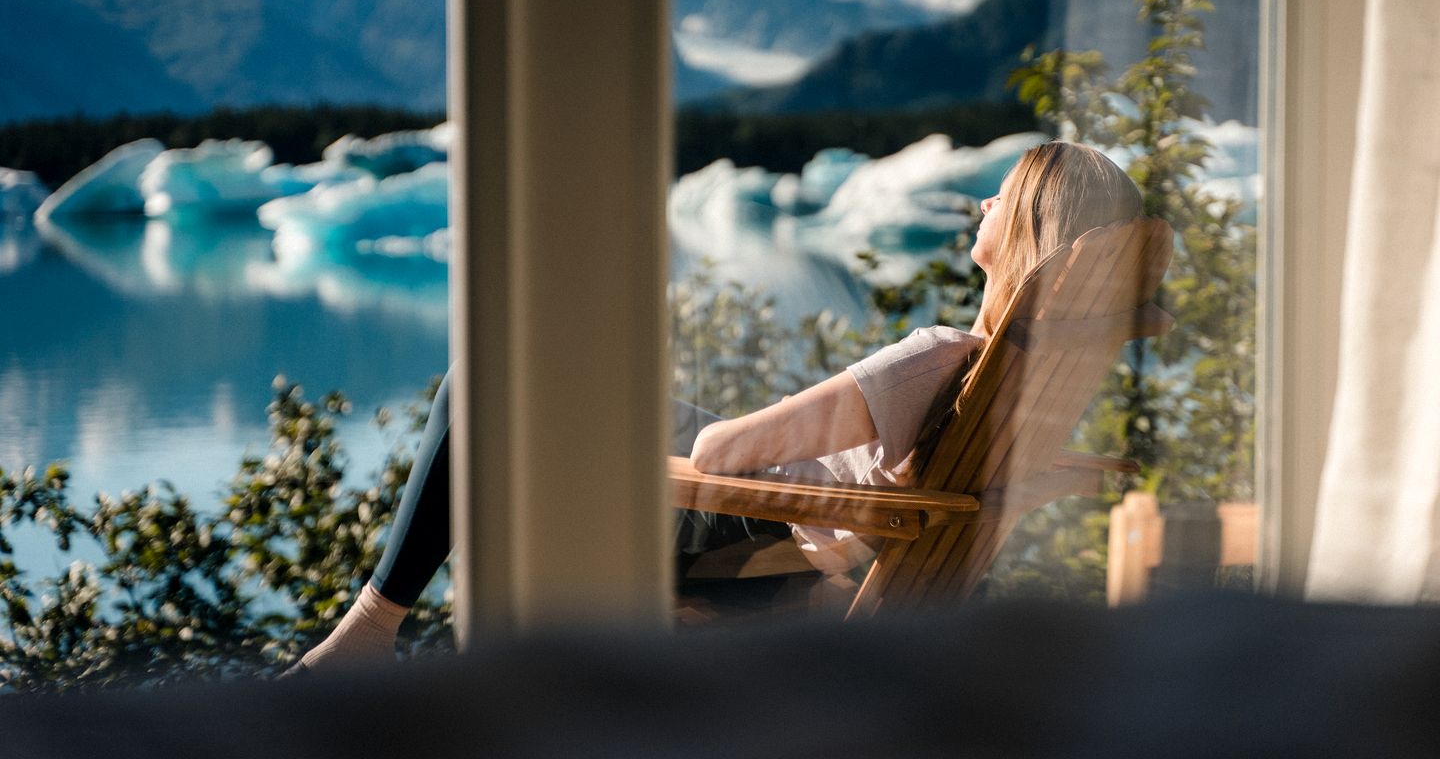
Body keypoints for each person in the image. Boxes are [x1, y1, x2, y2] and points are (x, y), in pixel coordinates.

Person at [286, 140, 1143, 673]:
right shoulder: (1019, 387)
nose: (984, 201)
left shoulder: (933, 359)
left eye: (1003, 195)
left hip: (740, 528)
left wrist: (788, 417)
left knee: (489, 377)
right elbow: (961, 497)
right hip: (805, 543)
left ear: (1029, 226)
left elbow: (721, 456)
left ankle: (372, 621)